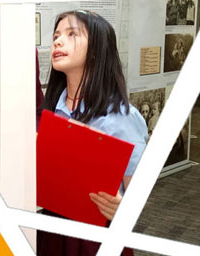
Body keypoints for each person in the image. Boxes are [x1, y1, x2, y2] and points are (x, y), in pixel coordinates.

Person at [37, 10, 148, 256]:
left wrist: (122, 208)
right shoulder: (52, 109)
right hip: (51, 230)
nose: (57, 41)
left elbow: (137, 194)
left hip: (95, 239)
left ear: (97, 49)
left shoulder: (121, 117)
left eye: (71, 34)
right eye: (56, 35)